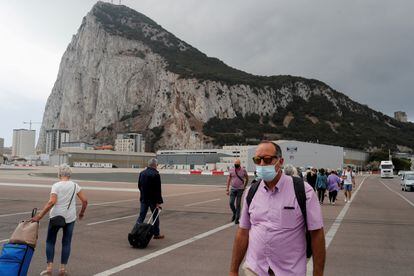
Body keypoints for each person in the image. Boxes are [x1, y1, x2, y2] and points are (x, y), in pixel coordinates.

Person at [230, 141, 325, 276]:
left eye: (267, 160)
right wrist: (233, 270)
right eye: (258, 160)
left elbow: (317, 234)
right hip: (255, 270)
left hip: (289, 272)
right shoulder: (251, 191)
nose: (262, 164)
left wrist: (318, 273)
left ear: (280, 162)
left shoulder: (303, 191)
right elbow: (243, 232)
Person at [31, 164, 88, 276]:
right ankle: (62, 269)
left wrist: (40, 216)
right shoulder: (75, 186)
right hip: (70, 218)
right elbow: (85, 201)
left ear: (59, 174)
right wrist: (81, 213)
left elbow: (51, 202)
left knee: (50, 242)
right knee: (66, 243)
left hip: (56, 217)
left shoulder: (56, 185)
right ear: (69, 174)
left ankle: (49, 268)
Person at [137, 158, 164, 239]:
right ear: (155, 165)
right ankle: (156, 233)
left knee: (141, 216)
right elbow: (158, 190)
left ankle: (136, 231)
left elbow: (139, 185)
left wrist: (143, 194)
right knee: (155, 217)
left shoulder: (142, 173)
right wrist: (158, 201)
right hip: (153, 200)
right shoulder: (156, 174)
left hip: (144, 198)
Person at [226, 159, 249, 224]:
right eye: (235, 164)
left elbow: (247, 178)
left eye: (237, 164)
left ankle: (237, 218)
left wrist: (244, 186)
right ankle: (234, 213)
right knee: (231, 203)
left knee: (238, 204)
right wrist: (227, 189)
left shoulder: (243, 170)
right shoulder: (231, 170)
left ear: (240, 164)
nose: (236, 165)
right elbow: (228, 179)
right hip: (233, 189)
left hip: (240, 189)